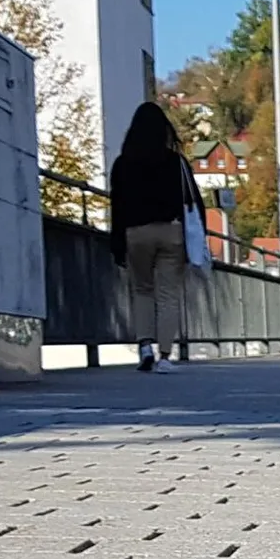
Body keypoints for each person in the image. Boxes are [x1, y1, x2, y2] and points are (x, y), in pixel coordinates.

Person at [110, 102, 207, 372]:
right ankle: (165, 356)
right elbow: (195, 202)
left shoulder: (123, 164)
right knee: (168, 295)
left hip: (136, 232)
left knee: (142, 290)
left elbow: (117, 206)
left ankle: (144, 347)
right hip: (172, 232)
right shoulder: (176, 163)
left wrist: (117, 243)